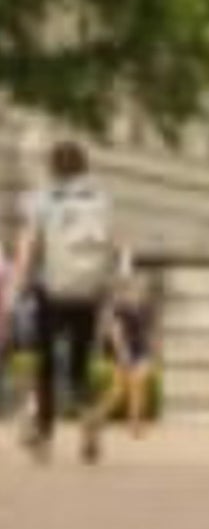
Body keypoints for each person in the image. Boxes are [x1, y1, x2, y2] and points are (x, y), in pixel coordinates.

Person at [12, 140, 118, 463]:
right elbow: (110, 247)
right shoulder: (100, 199)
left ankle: (44, 435)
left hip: (51, 289)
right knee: (79, 363)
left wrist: (16, 287)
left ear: (52, 167)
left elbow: (30, 245)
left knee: (44, 363)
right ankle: (88, 418)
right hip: (87, 292)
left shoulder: (44, 199)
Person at [78, 253, 162, 461]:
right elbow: (114, 330)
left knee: (138, 383)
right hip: (125, 350)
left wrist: (152, 349)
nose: (136, 284)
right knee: (119, 390)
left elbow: (149, 329)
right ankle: (96, 419)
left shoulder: (142, 303)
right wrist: (122, 352)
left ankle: (134, 423)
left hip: (139, 349)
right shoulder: (118, 304)